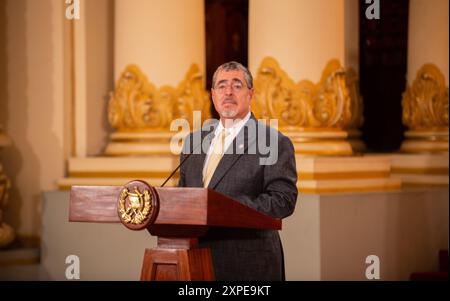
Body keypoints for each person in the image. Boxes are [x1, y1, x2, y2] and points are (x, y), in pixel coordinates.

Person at [178, 61, 298, 281]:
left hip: (248, 264)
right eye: (222, 86)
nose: (228, 92)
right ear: (213, 95)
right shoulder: (193, 141)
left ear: (250, 94)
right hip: (195, 262)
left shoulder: (272, 141)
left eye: (237, 85)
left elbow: (283, 201)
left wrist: (223, 208)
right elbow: (183, 197)